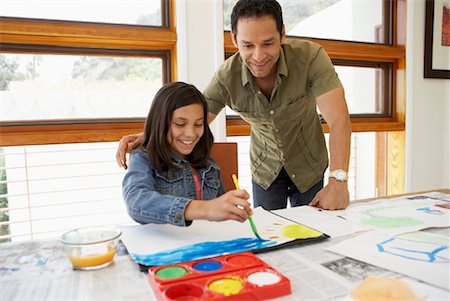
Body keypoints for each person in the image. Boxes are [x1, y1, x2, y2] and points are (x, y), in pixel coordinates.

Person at [117, 0, 351, 211]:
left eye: (268, 43)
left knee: (314, 234)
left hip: (309, 164)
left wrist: (338, 182)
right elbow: (194, 119)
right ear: (234, 40)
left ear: (282, 34)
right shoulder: (226, 78)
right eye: (248, 45)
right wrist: (149, 134)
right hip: (265, 169)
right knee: (268, 236)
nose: (258, 56)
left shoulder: (311, 58)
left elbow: (338, 120)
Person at [122, 82, 251, 227]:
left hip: (207, 244)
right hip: (166, 246)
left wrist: (232, 209)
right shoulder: (143, 157)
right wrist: (205, 209)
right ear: (160, 122)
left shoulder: (209, 164)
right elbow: (136, 201)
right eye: (180, 124)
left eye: (198, 124)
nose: (190, 134)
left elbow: (220, 210)